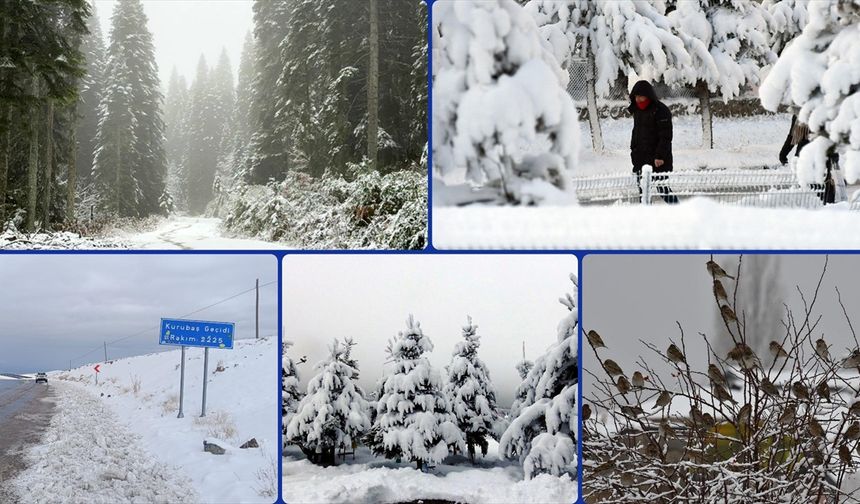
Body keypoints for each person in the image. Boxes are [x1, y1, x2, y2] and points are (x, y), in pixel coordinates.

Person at [629, 80, 677, 204]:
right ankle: (646, 214)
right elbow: (636, 133)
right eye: (636, 96)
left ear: (648, 95)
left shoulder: (661, 110)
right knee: (643, 192)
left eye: (641, 96)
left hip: (658, 160)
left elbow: (665, 136)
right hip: (641, 158)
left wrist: (660, 156)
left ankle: (679, 210)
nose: (638, 99)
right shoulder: (637, 110)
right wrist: (634, 151)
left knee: (663, 190)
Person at [779, 114, 840, 204]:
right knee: (823, 190)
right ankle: (825, 206)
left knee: (812, 192)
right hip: (819, 156)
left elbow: (793, 136)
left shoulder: (803, 113)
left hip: (809, 156)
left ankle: (819, 206)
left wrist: (783, 154)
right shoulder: (825, 111)